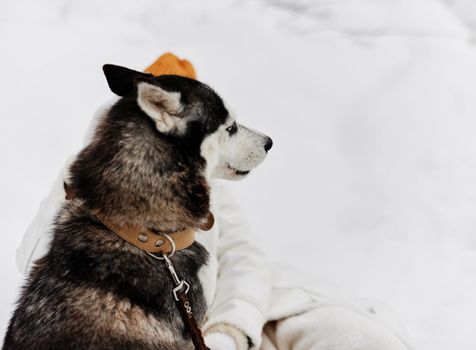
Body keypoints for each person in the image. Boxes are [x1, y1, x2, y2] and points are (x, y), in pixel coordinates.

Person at [15, 54, 413, 350]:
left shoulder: (211, 193)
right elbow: (35, 260)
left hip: (246, 313)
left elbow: (246, 257)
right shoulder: (84, 190)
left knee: (357, 338)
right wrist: (77, 177)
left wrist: (229, 332)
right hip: (154, 324)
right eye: (228, 129)